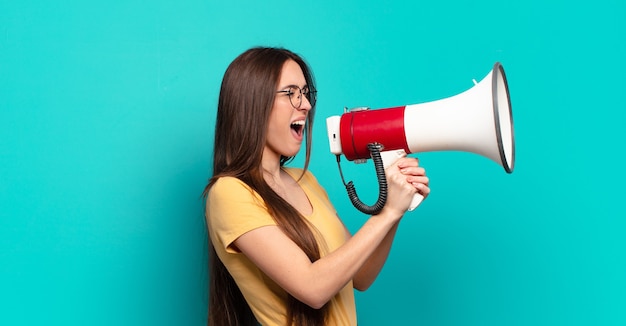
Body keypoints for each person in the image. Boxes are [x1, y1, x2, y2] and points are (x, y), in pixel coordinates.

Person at [203, 46, 430, 326]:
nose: (306, 105)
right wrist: (387, 213)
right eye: (290, 93)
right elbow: (313, 288)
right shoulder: (229, 193)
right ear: (253, 102)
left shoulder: (305, 181)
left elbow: (362, 275)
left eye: (305, 93)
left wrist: (398, 206)